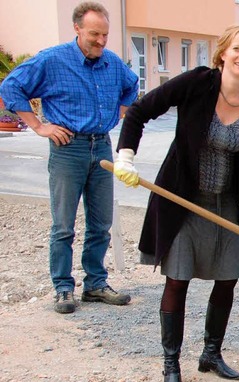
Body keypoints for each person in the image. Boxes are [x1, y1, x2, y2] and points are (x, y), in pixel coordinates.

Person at [114, 24, 239, 382]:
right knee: (177, 280)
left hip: (225, 206)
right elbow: (139, 111)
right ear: (222, 53)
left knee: (228, 278)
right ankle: (171, 365)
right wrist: (126, 156)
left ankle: (211, 352)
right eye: (236, 49)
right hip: (181, 200)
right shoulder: (198, 83)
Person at [0, 2, 139, 314]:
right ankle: (63, 288)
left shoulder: (112, 63)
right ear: (77, 29)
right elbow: (11, 86)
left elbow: (132, 86)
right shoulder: (52, 60)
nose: (101, 41)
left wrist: (118, 113)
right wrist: (38, 125)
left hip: (101, 148)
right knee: (63, 225)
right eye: (94, 35)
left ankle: (95, 284)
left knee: (101, 223)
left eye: (105, 34)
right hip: (68, 149)